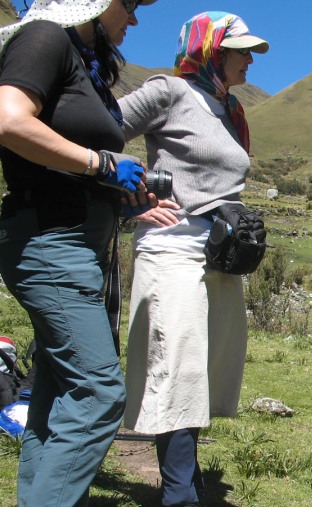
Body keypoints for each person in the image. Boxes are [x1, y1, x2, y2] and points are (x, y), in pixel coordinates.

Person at [0, 0, 156, 505]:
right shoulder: (43, 36)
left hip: (76, 241)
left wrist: (120, 196)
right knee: (97, 395)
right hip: (52, 241)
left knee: (55, 394)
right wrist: (100, 166)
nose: (133, 19)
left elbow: (65, 160)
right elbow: (8, 121)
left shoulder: (80, 60)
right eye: (129, 5)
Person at [118, 11, 268, 507]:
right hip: (174, 241)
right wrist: (132, 197)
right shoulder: (170, 91)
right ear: (211, 50)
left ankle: (186, 477)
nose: (249, 59)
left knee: (205, 366)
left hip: (218, 252)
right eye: (240, 50)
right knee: (177, 363)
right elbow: (97, 130)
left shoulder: (230, 109)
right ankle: (180, 494)